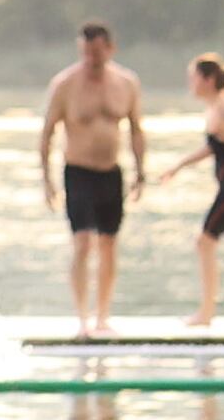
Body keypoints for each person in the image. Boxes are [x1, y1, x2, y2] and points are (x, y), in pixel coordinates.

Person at [39, 23, 149, 337]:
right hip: (78, 172)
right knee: (83, 242)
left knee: (109, 244)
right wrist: (46, 180)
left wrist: (141, 171)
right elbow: (47, 134)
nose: (91, 58)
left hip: (111, 172)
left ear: (110, 49)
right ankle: (82, 320)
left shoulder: (126, 83)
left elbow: (136, 129)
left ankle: (103, 317)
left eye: (97, 52)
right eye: (85, 52)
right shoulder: (65, 84)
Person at [173, 54, 224, 327]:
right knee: (208, 244)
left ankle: (206, 313)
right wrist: (179, 166)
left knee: (204, 242)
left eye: (193, 77)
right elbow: (213, 148)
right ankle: (206, 312)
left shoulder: (223, 107)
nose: (190, 83)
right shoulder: (215, 107)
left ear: (207, 80)